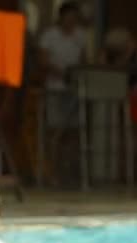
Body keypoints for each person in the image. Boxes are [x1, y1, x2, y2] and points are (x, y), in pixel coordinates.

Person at [37, 1, 87, 186]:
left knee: (73, 133)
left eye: (74, 18)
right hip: (54, 90)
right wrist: (61, 73)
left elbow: (84, 59)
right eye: (68, 18)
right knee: (54, 133)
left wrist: (76, 75)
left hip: (74, 90)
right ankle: (51, 174)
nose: (71, 22)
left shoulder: (80, 36)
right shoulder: (49, 36)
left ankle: (71, 173)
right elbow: (43, 62)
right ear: (61, 18)